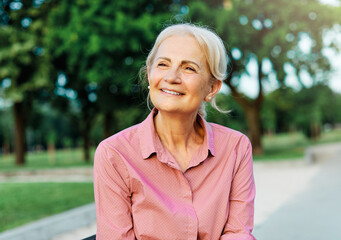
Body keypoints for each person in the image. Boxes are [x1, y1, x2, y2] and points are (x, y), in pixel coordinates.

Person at [93, 23, 256, 240]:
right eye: (163, 64)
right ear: (150, 75)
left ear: (212, 88)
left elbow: (238, 233)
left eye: (189, 68)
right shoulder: (114, 154)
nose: (171, 77)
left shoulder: (236, 148)